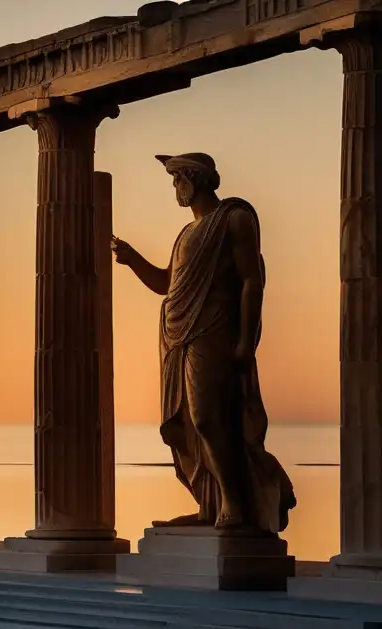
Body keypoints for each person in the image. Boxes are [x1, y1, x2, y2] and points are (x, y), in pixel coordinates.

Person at [112, 152, 296, 533]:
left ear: (191, 180)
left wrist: (247, 340)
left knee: (207, 417)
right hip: (177, 339)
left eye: (176, 180)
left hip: (214, 332)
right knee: (185, 426)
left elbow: (251, 281)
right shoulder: (186, 234)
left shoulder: (234, 219)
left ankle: (235, 501)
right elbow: (167, 284)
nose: (174, 189)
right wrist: (132, 260)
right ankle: (208, 505)